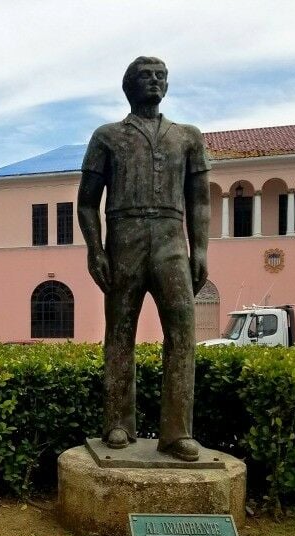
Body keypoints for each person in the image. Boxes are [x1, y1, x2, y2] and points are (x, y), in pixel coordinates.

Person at [77, 56, 211, 461]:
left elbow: (199, 200)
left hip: (172, 242)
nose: (154, 81)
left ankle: (177, 432)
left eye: (161, 76)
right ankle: (118, 423)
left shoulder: (188, 136)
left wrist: (200, 248)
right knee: (120, 332)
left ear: (167, 85)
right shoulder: (108, 136)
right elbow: (85, 203)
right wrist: (95, 251)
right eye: (144, 76)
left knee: (183, 331)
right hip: (124, 240)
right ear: (128, 86)